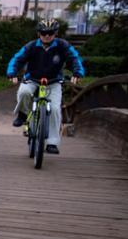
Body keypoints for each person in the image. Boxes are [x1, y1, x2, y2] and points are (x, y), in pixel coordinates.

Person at [7, 18, 85, 154]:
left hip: (54, 81)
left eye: (50, 33)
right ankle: (23, 114)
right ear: (39, 33)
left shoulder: (62, 45)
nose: (47, 36)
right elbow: (17, 58)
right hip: (32, 79)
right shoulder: (31, 46)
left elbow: (74, 58)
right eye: (43, 33)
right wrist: (12, 73)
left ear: (55, 33)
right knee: (24, 92)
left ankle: (52, 143)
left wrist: (77, 73)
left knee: (55, 109)